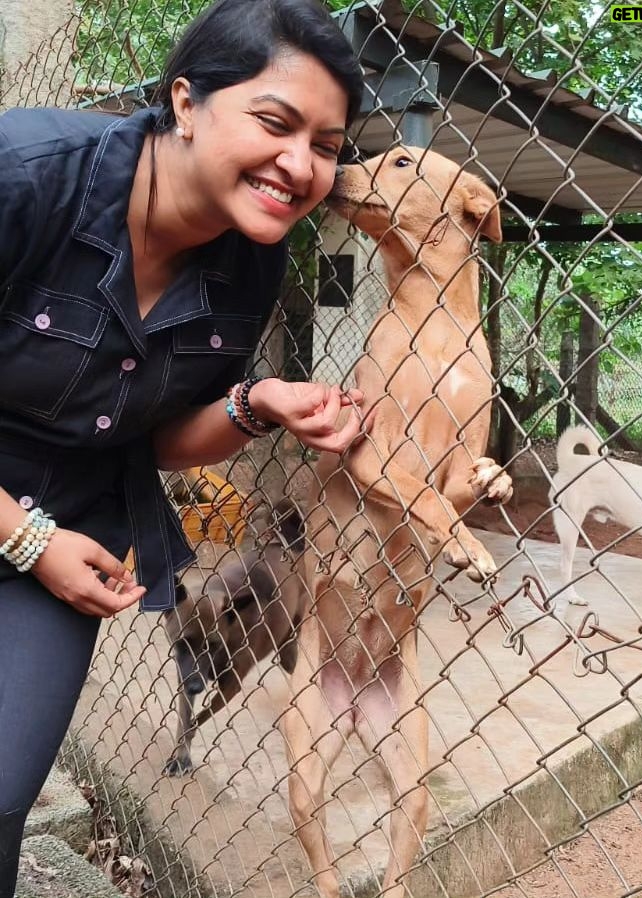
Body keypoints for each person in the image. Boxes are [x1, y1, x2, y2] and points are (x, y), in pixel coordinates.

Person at [0, 0, 365, 892]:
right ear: (186, 101)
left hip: (75, 515)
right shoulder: (27, 173)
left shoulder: (254, 259)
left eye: (326, 145)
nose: (300, 164)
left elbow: (160, 438)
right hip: (35, 532)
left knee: (4, 787)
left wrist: (258, 402)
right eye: (276, 123)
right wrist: (24, 538)